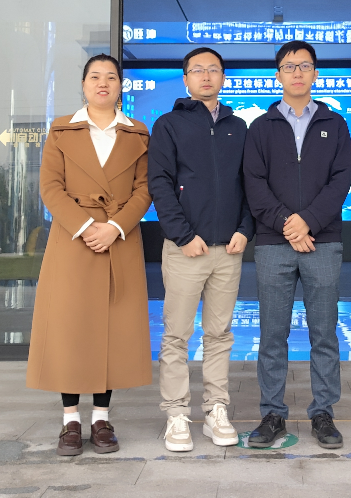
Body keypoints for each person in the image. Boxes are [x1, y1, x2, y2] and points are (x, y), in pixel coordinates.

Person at [26, 53, 153, 457]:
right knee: (70, 328)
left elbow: (145, 189)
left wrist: (114, 227)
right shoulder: (62, 129)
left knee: (111, 329)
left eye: (111, 77)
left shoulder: (137, 134)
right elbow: (50, 187)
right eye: (95, 77)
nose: (103, 83)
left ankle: (101, 418)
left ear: (120, 87)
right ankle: (70, 421)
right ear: (83, 85)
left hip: (119, 239)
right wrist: (85, 227)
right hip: (73, 240)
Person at [242, 40, 351, 449]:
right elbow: (254, 183)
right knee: (273, 334)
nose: (297, 73)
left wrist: (309, 221)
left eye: (304, 66)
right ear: (278, 75)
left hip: (324, 242)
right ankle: (272, 413)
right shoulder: (261, 126)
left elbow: (341, 180)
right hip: (273, 244)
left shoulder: (335, 123)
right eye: (289, 67)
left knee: (324, 332)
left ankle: (323, 413)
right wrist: (289, 224)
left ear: (315, 74)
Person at [147, 47, 254, 452]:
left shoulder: (238, 127)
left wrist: (245, 229)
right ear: (186, 79)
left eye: (213, 70)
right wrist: (182, 235)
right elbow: (159, 182)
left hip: (229, 250)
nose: (206, 76)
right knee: (176, 334)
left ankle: (215, 410)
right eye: (197, 70)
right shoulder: (168, 124)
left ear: (223, 77)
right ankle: (176, 413)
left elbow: (250, 183)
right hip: (185, 249)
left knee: (219, 334)